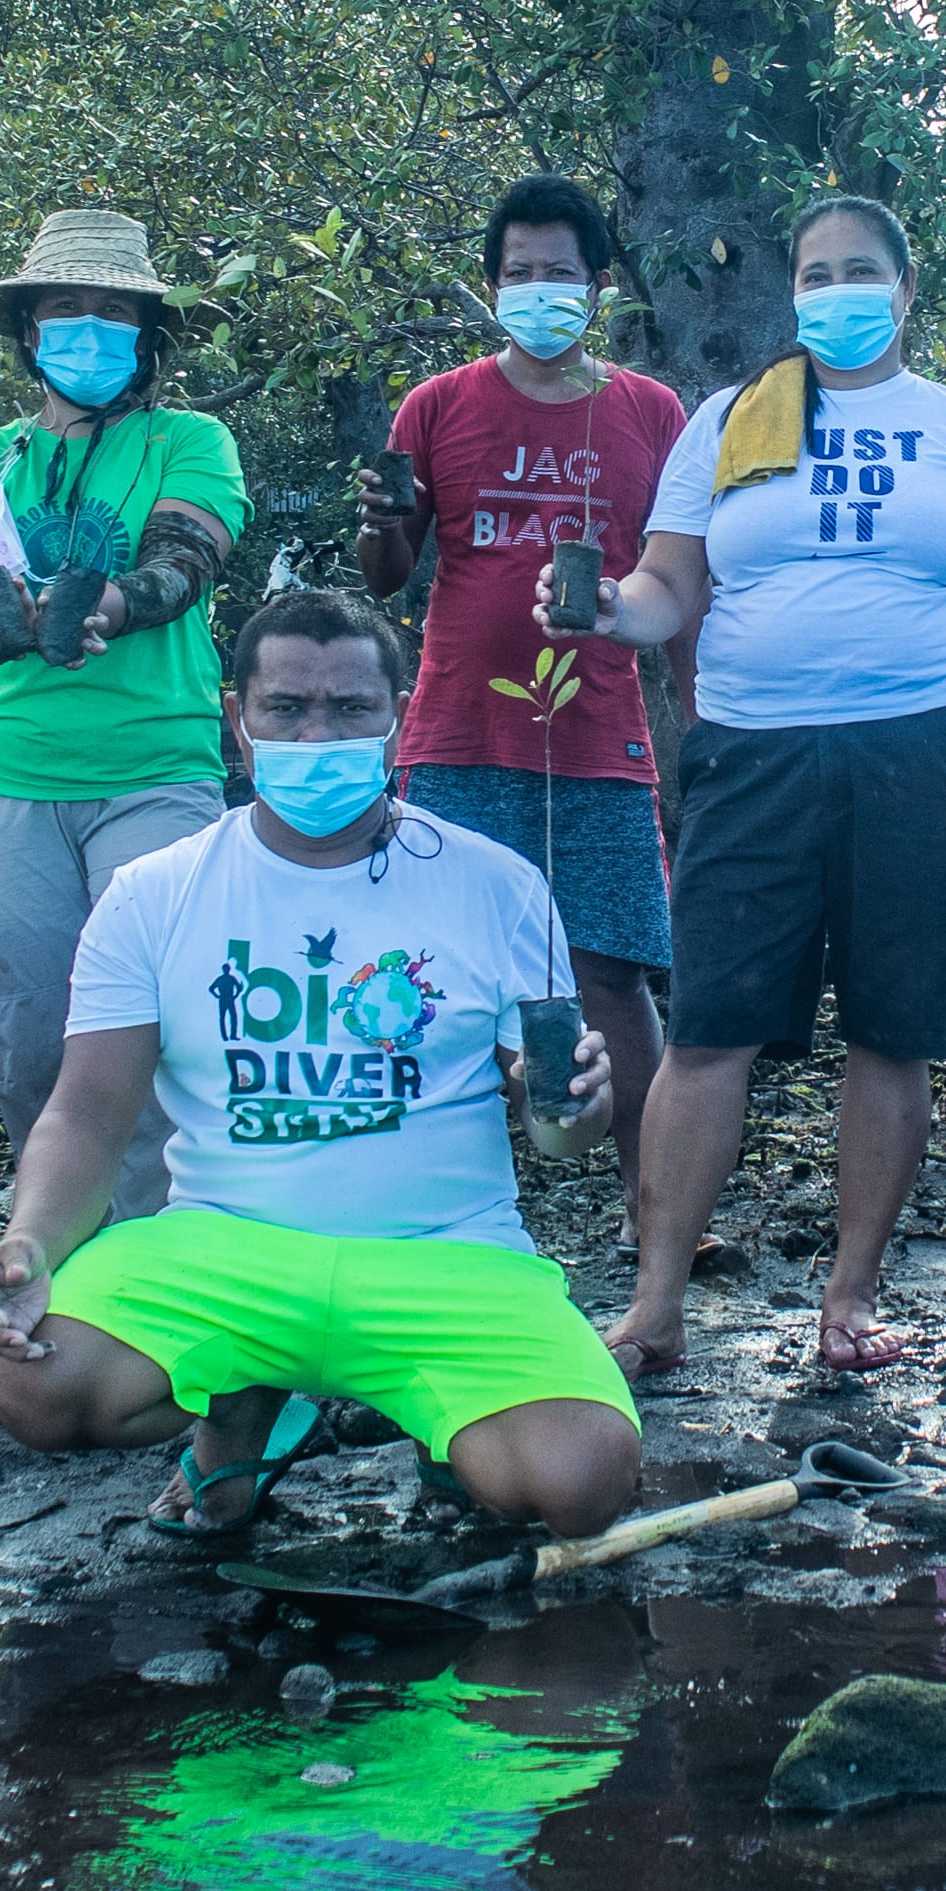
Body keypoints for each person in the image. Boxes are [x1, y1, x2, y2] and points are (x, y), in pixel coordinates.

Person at [562, 194, 946, 1377]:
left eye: (861, 270)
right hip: (752, 754)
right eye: (816, 274)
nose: (837, 292)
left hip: (923, 754)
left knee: (894, 1030)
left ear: (907, 292)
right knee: (711, 1026)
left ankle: (849, 1300)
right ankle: (655, 1303)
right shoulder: (733, 418)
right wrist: (611, 611)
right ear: (792, 293)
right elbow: (670, 585)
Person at [0, 591, 640, 1540]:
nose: (317, 733)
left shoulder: (497, 884)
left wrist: (571, 1108)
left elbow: (562, 1138)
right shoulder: (152, 894)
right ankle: (241, 1417)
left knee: (580, 1481)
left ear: (398, 717)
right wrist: (31, 1242)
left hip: (443, 1257)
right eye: (286, 708)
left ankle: (436, 1429)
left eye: (350, 708)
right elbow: (85, 1113)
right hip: (222, 1250)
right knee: (41, 1383)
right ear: (236, 723)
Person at [359, 174, 691, 1161]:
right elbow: (387, 574)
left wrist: (707, 721)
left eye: (559, 272)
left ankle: (651, 1212)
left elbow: (679, 579)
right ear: (490, 286)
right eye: (518, 273)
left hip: (600, 739)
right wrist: (378, 522)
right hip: (458, 736)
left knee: (611, 973)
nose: (538, 289)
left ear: (596, 288)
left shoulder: (649, 412)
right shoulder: (436, 406)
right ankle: (441, 1196)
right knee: (436, 972)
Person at [0, 207, 250, 1219]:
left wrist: (110, 602)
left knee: (158, 1022)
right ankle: (56, 1253)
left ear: (145, 335)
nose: (87, 331)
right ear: (27, 329)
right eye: (64, 309)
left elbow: (185, 557)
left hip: (155, 768)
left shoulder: (191, 439)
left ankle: (167, 1254)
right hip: (7, 773)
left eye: (112, 313)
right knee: (29, 1036)